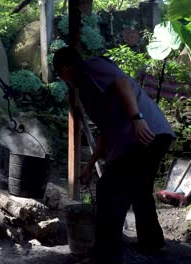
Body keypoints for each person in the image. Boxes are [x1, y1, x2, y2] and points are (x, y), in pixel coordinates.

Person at [53, 47, 175, 264]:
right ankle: (152, 243)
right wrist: (90, 165)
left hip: (143, 133)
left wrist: (137, 119)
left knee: (109, 190)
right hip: (157, 133)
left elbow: (122, 82)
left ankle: (106, 256)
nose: (65, 81)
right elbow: (106, 132)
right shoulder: (89, 92)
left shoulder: (88, 68)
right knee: (140, 189)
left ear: (65, 70)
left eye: (62, 76)